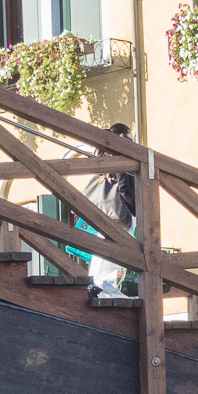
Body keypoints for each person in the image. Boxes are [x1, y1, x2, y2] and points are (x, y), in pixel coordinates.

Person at [83, 123, 137, 299]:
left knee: (102, 267)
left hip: (104, 220)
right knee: (114, 268)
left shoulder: (103, 160)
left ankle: (98, 294)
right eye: (130, 138)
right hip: (120, 220)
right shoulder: (124, 161)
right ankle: (112, 295)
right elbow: (127, 193)